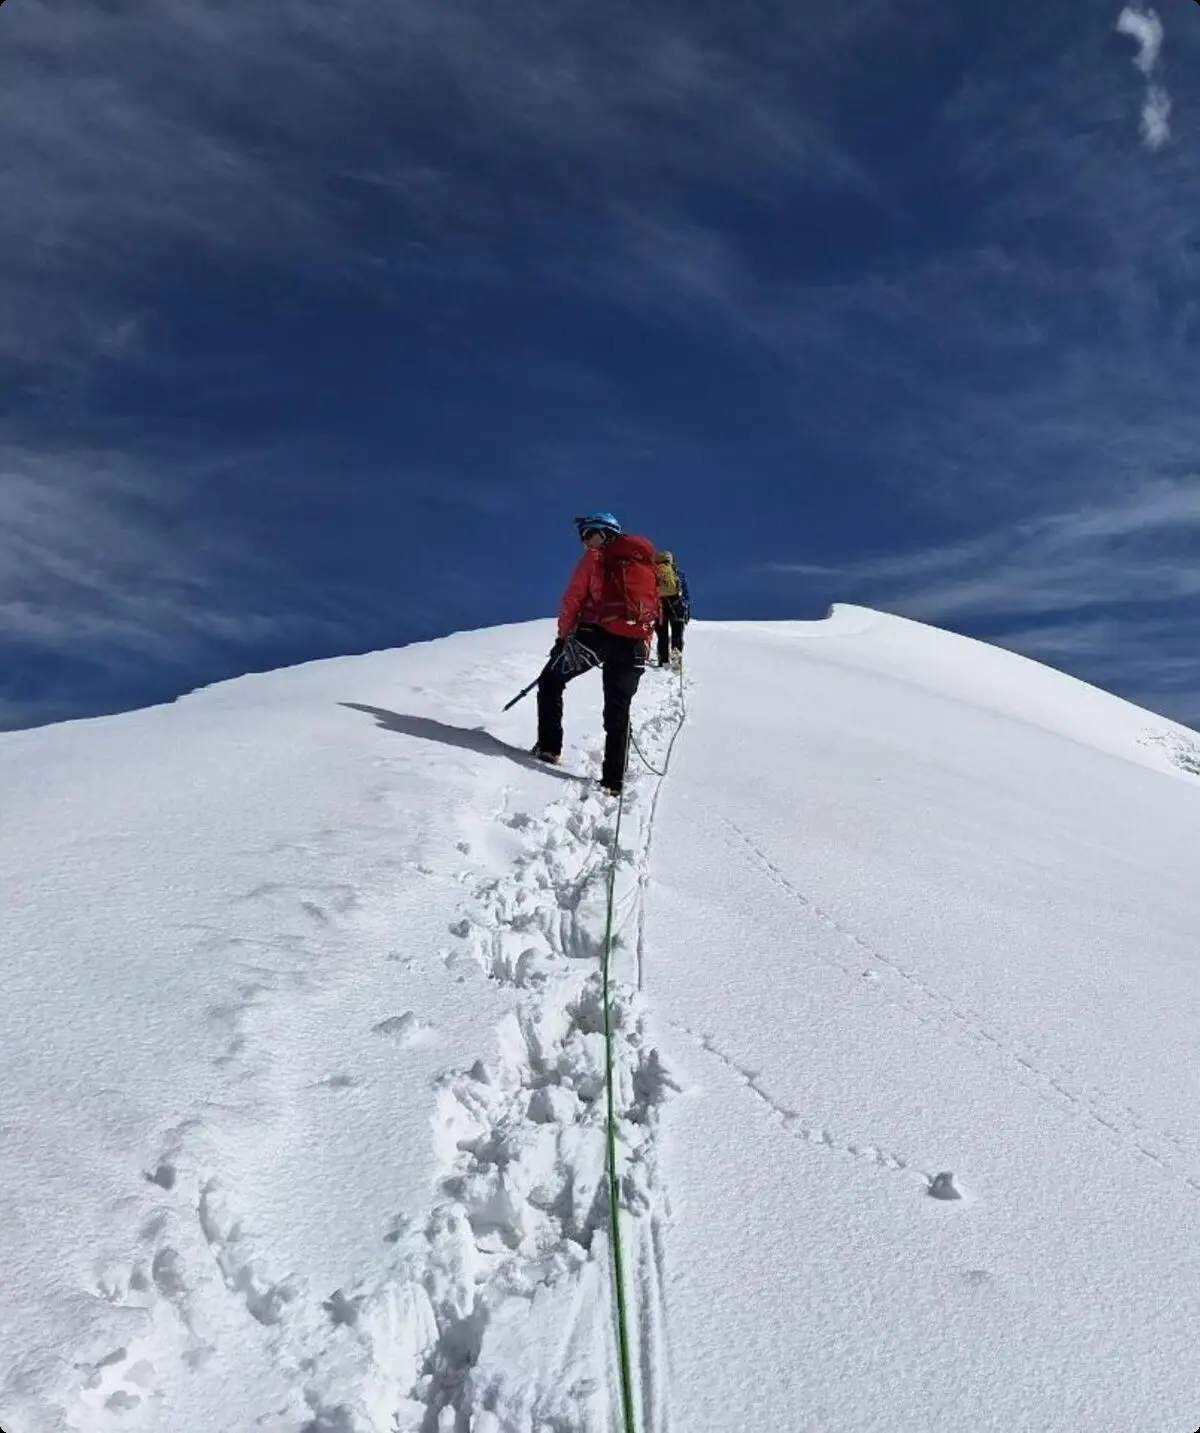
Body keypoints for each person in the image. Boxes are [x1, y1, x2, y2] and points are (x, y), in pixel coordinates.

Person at [533, 512, 659, 796]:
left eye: (588, 535)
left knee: (551, 681)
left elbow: (573, 599)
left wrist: (563, 638)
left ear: (604, 533)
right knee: (618, 710)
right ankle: (614, 782)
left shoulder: (597, 558)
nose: (585, 542)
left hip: (596, 636)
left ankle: (549, 748)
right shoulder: (644, 565)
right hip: (634, 644)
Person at [653, 550, 691, 670]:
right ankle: (676, 660)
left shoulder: (653, 574)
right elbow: (685, 594)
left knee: (662, 635)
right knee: (677, 635)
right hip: (677, 606)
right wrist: (686, 609)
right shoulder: (679, 574)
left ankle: (663, 661)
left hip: (659, 607)